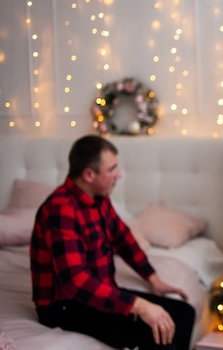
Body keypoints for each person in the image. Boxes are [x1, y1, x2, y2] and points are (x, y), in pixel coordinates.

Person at [30, 135, 195, 350]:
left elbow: (122, 238)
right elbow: (75, 283)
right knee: (157, 335)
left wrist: (152, 278)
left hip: (98, 292)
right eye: (112, 169)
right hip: (65, 306)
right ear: (89, 174)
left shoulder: (99, 198)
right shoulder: (61, 210)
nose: (119, 174)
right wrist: (138, 306)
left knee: (183, 314)